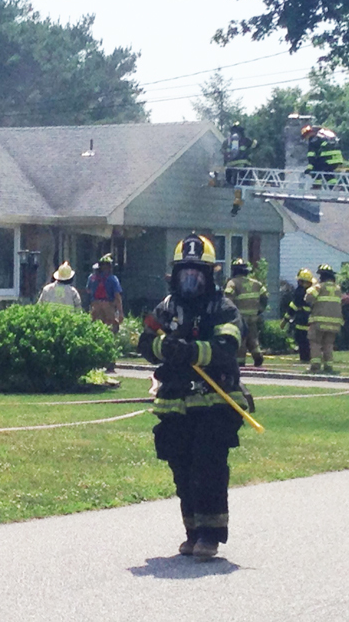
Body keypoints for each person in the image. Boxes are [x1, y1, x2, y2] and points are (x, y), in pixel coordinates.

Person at [137, 233, 248, 560]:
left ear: (210, 274)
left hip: (214, 403)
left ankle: (210, 536)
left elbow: (227, 348)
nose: (190, 280)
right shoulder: (166, 308)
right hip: (175, 405)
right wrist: (164, 347)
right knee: (182, 469)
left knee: (208, 467)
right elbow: (144, 343)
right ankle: (192, 532)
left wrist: (191, 351)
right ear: (175, 275)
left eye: (196, 273)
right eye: (185, 272)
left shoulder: (223, 308)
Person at [224, 258, 268, 367]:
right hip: (253, 316)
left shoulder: (232, 283)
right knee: (253, 337)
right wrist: (260, 310)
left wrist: (228, 314)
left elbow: (228, 300)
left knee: (241, 339)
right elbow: (265, 297)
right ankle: (257, 354)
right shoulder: (256, 283)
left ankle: (240, 362)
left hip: (239, 317)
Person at [304, 264, 344, 374]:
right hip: (334, 323)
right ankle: (328, 366)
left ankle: (315, 366)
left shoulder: (319, 287)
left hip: (319, 321)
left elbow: (308, 297)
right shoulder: (337, 289)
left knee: (315, 342)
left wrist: (314, 284)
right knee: (328, 344)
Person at [282, 268, 314, 363]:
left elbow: (293, 307)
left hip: (302, 320)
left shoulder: (299, 292)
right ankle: (309, 357)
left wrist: (285, 320)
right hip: (312, 321)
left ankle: (304, 358)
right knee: (310, 341)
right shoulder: (313, 291)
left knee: (302, 340)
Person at [86, 254, 124, 333]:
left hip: (95, 306)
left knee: (95, 330)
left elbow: (88, 290)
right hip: (108, 306)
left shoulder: (91, 277)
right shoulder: (113, 279)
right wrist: (120, 312)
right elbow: (117, 296)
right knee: (110, 330)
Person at [223, 122, 258, 187]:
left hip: (231, 165)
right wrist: (255, 142)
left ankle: (231, 184)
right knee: (245, 180)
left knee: (231, 180)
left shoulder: (227, 141)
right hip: (243, 165)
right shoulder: (246, 140)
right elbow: (254, 146)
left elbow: (223, 151)